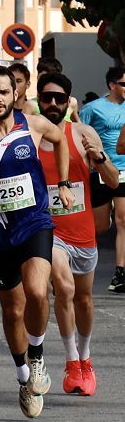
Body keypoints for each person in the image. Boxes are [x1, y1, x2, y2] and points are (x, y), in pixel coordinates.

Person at [0, 66, 74, 418]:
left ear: (15, 93)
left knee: (37, 291)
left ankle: (36, 358)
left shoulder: (32, 124)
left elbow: (61, 138)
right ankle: (23, 375)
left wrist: (63, 182)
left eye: (4, 92)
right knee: (13, 309)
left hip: (34, 222)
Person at [36, 72, 119, 396]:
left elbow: (112, 181)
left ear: (67, 101)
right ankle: (71, 360)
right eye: (47, 98)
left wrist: (98, 159)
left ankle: (85, 358)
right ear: (39, 100)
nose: (52, 104)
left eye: (59, 98)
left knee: (84, 299)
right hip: (47, 229)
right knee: (65, 289)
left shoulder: (83, 134)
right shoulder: (29, 137)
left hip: (82, 231)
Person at [82, 67, 125, 292]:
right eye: (124, 84)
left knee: (123, 219)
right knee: (100, 225)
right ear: (112, 85)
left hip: (124, 169)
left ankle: (120, 273)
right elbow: (80, 133)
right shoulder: (93, 108)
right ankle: (81, 260)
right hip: (99, 170)